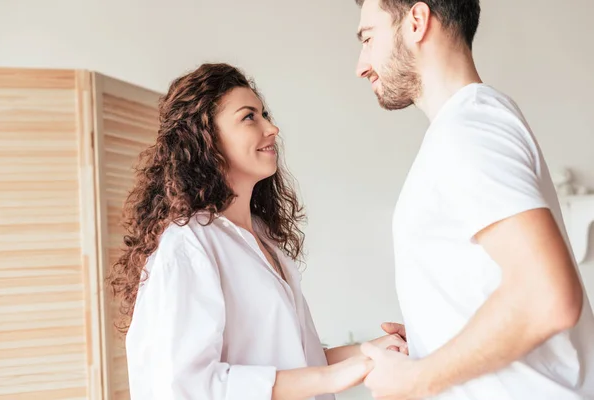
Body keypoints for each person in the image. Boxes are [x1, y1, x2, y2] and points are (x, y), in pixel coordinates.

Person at [107, 63, 407, 400]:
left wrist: (370, 351)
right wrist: (334, 377)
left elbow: (298, 363)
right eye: (250, 117)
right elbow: (185, 385)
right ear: (206, 139)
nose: (272, 128)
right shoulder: (188, 246)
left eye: (265, 114)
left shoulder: (262, 239)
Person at [353, 0, 594, 399]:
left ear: (416, 21)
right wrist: (437, 333)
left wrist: (415, 380)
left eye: (367, 38)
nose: (361, 64)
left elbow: (547, 297)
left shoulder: (469, 129)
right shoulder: (469, 124)